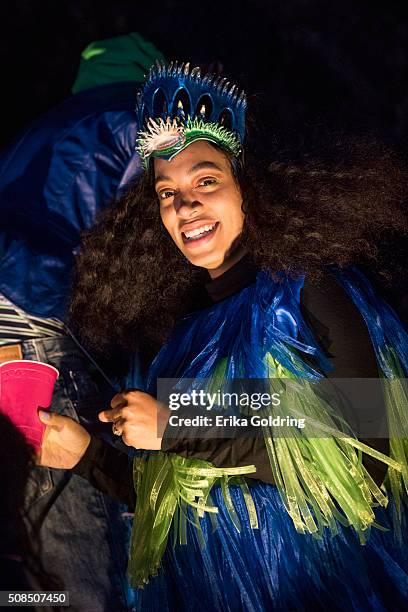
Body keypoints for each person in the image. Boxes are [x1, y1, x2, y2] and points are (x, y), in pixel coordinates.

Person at [39, 61, 408, 610]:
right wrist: (87, 455)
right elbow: (176, 500)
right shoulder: (176, 337)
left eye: (206, 181)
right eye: (166, 192)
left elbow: (362, 452)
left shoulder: (308, 288)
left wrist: (180, 423)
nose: (184, 205)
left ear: (249, 188)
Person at [0, 33, 164, 610]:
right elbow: (146, 251)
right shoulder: (137, 124)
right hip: (36, 330)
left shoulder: (39, 130)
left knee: (24, 535)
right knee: (69, 539)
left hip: (9, 332)